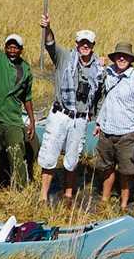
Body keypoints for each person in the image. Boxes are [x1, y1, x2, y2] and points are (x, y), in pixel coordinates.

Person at [38, 18, 103, 203]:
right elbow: (49, 43)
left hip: (80, 119)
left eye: (88, 44)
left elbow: (100, 96)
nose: (85, 46)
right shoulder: (64, 56)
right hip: (60, 114)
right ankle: (43, 196)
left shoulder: (98, 67)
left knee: (72, 159)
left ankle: (68, 195)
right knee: (50, 155)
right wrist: (48, 27)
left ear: (93, 45)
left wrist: (97, 119)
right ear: (76, 44)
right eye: (82, 43)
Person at [94, 41, 134, 210]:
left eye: (125, 56)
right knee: (106, 167)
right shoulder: (109, 72)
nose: (121, 58)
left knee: (126, 172)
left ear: (130, 59)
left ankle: (124, 204)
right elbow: (98, 89)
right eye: (118, 55)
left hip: (126, 133)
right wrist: (100, 67)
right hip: (106, 130)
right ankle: (104, 200)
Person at [0, 23, 34, 190]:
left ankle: (20, 188)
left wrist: (32, 119)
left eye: (15, 47)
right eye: (9, 46)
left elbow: (27, 97)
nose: (12, 50)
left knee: (17, 152)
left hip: (12, 116)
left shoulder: (26, 70)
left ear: (21, 50)